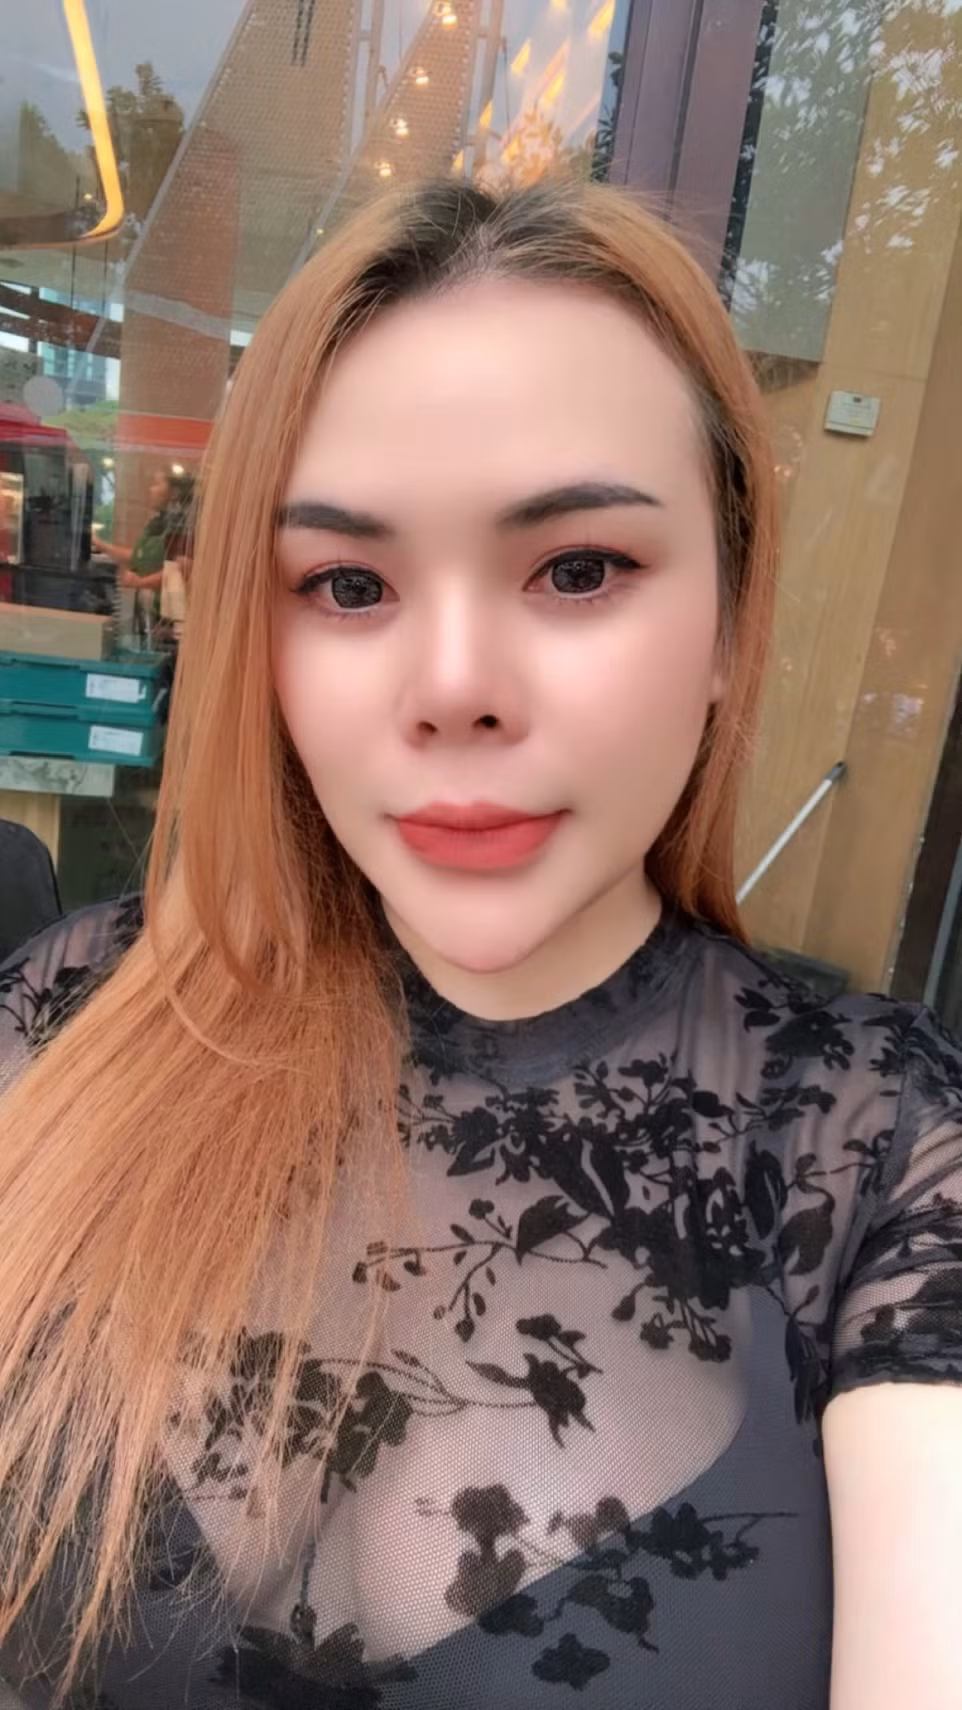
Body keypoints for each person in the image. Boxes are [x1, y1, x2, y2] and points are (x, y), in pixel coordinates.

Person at [0, 179, 958, 1710]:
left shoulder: (876, 1158)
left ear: (729, 620)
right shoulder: (71, 1023)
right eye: (348, 585)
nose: (454, 687)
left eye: (577, 568)